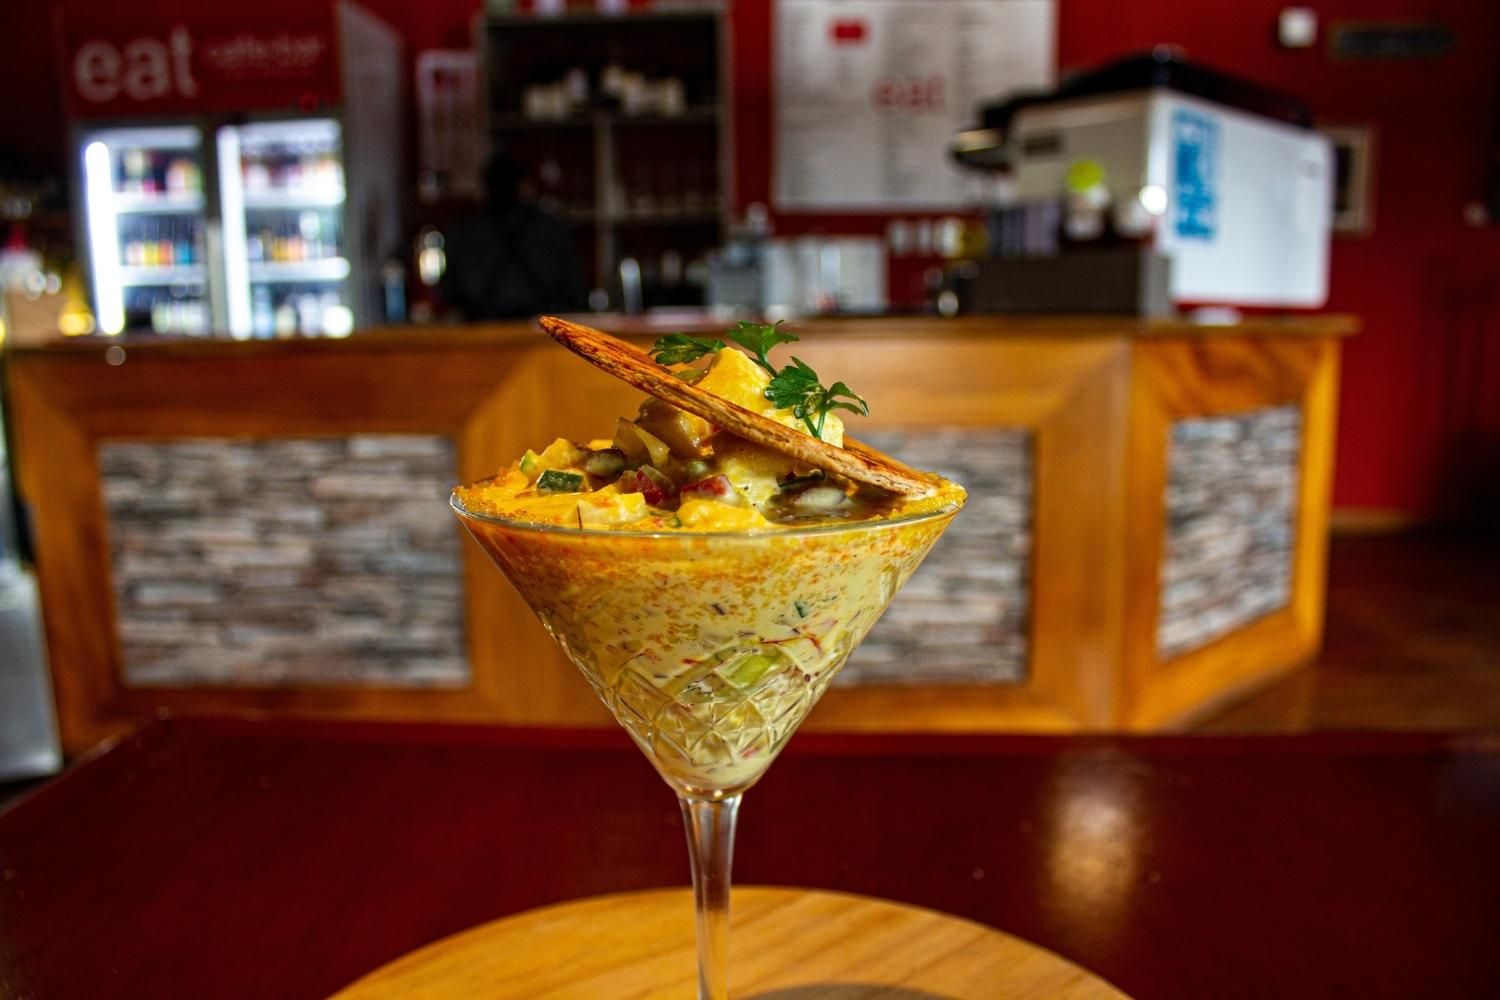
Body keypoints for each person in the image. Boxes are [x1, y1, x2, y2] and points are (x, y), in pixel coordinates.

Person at [440, 156, 586, 319]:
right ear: (520, 185)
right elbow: (574, 289)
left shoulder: (465, 230)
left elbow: (448, 290)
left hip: (486, 327)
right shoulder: (550, 228)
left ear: (486, 187)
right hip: (538, 326)